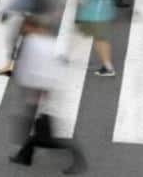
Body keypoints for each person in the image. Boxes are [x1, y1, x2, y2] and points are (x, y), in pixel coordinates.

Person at [9, 14, 88, 174]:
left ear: (34, 27)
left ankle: (78, 158)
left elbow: (41, 71)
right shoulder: (36, 42)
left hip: (42, 93)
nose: (23, 30)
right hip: (39, 92)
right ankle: (24, 156)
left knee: (47, 137)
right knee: (37, 129)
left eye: (26, 27)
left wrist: (39, 93)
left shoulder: (39, 45)